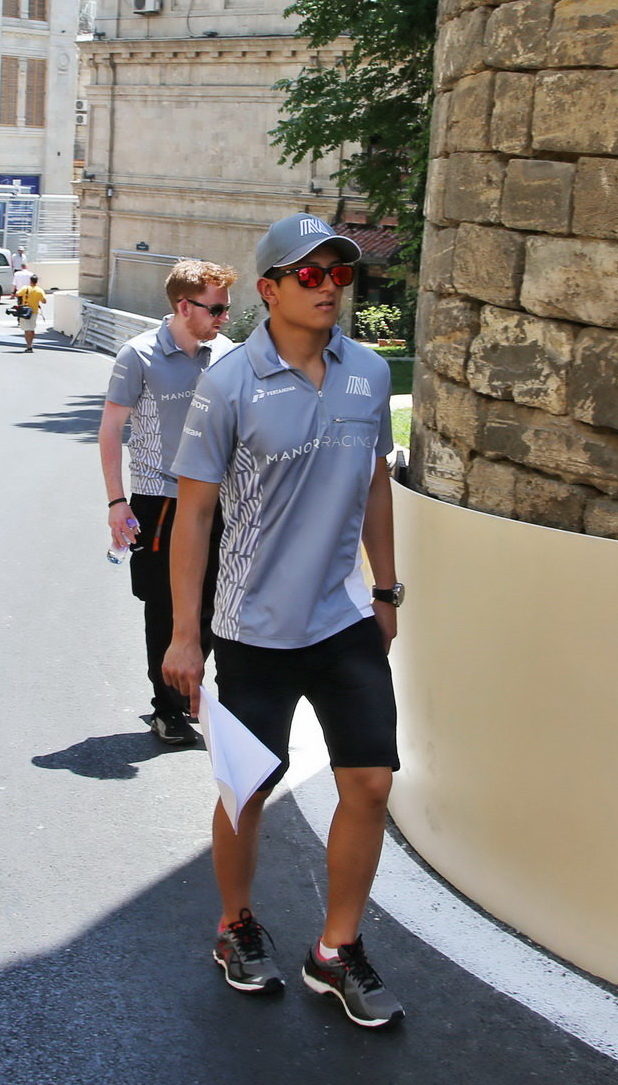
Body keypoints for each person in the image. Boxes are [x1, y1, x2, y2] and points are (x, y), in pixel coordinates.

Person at [164, 213, 407, 1027]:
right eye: (310, 274)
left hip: (342, 618)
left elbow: (376, 484)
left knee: (371, 781)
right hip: (253, 626)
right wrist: (186, 633)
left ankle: (336, 951)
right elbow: (194, 513)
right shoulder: (228, 384)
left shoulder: (369, 373)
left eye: (340, 273)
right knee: (247, 789)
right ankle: (235, 924)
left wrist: (387, 590)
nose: (330, 286)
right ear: (267, 291)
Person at [99, 259, 237, 746]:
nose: (225, 316)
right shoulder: (137, 355)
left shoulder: (227, 354)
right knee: (164, 605)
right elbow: (112, 429)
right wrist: (118, 502)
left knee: (216, 604)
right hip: (160, 500)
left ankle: (190, 686)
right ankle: (167, 707)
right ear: (184, 306)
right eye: (217, 308)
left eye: (225, 307)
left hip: (222, 499)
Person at [14, 273, 48, 352]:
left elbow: (17, 294)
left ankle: (29, 346)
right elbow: (44, 301)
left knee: (27, 329)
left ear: (30, 281)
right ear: (37, 281)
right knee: (31, 329)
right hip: (34, 311)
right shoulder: (39, 290)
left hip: (25, 311)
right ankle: (31, 344)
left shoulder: (25, 288)